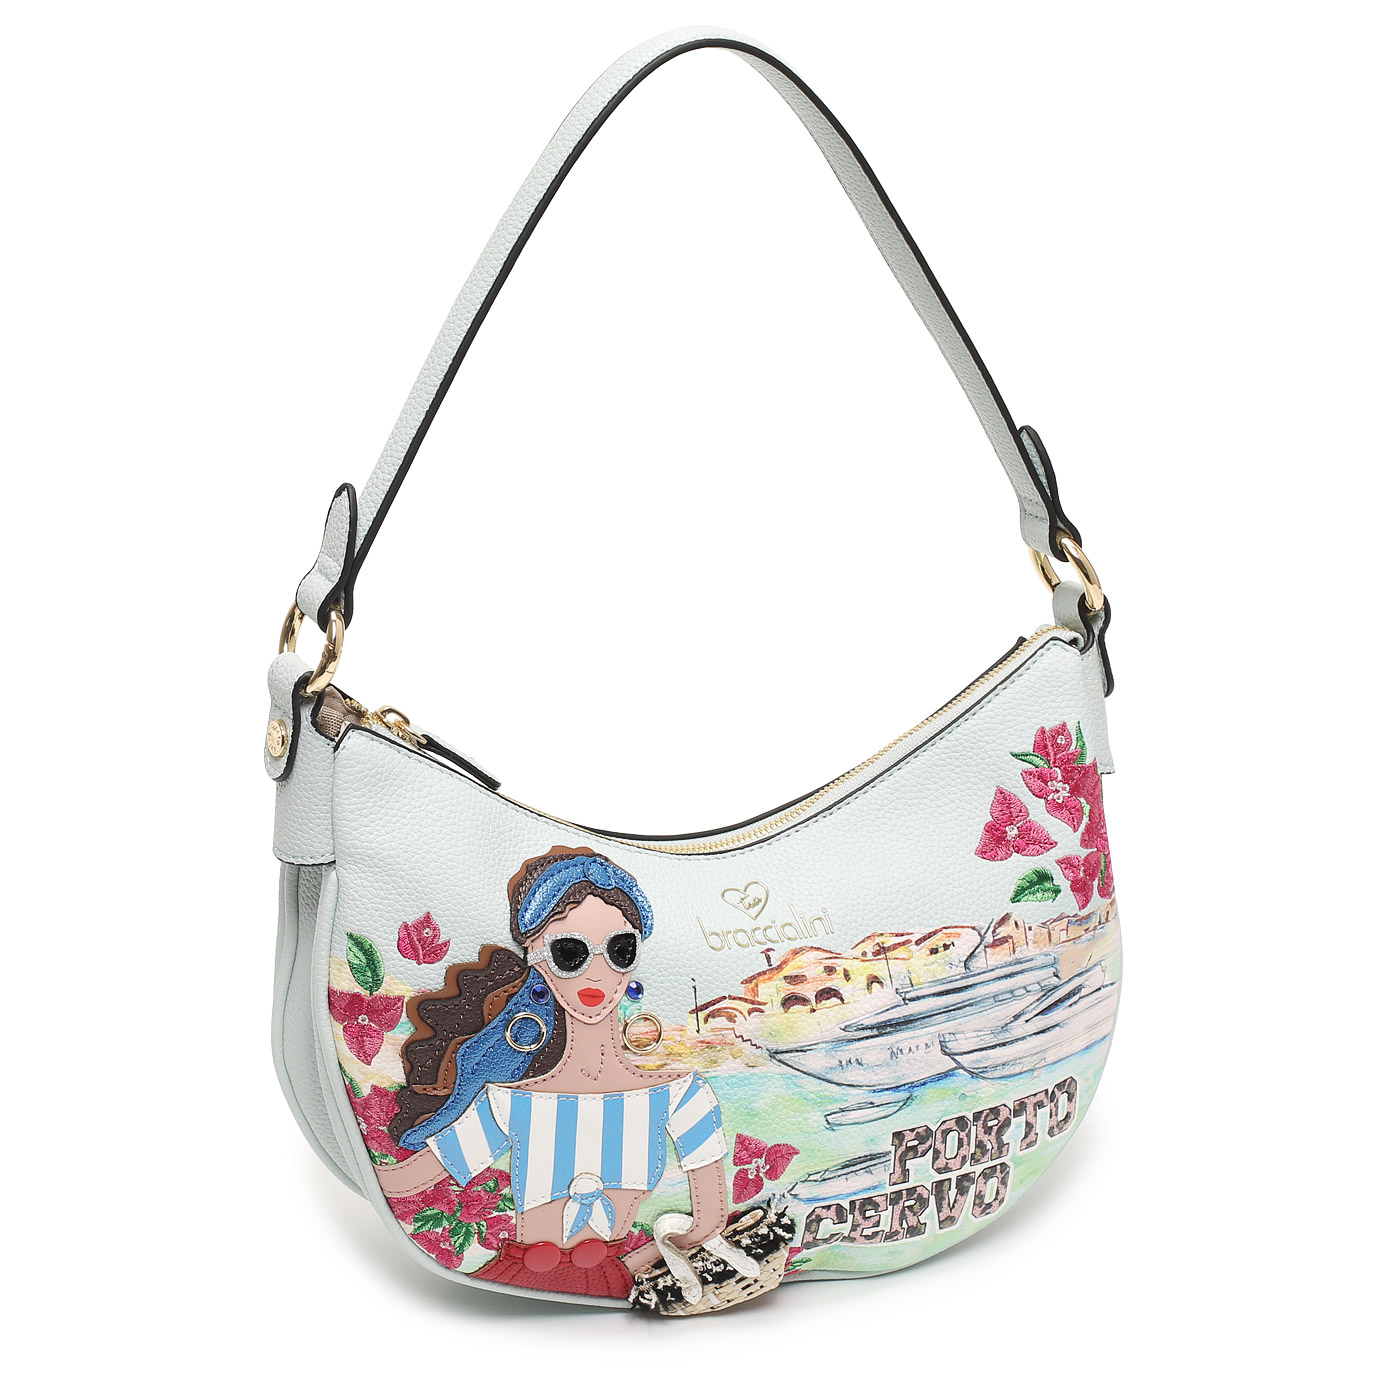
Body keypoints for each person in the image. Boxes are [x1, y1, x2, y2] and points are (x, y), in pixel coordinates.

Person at [375, 846, 729, 1299]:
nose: (598, 972)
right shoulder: (511, 1101)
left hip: (614, 1277)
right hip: (519, 1280)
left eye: (620, 950)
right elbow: (402, 1184)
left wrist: (626, 1272)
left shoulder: (682, 1096)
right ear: (536, 957)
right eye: (570, 952)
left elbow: (708, 1221)